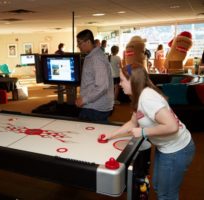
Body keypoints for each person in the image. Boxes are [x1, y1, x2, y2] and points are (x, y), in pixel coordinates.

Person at [104, 65, 195, 200]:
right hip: (166, 147)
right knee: (158, 187)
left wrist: (143, 131)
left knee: (166, 195)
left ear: (132, 81)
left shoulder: (147, 98)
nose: (119, 83)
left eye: (122, 80)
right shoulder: (139, 95)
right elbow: (132, 123)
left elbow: (172, 126)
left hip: (177, 150)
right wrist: (111, 135)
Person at [75, 29, 114, 123]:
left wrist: (84, 99)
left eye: (80, 43)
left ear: (88, 41)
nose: (78, 46)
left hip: (95, 108)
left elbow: (102, 86)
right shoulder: (91, 56)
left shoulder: (97, 58)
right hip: (92, 106)